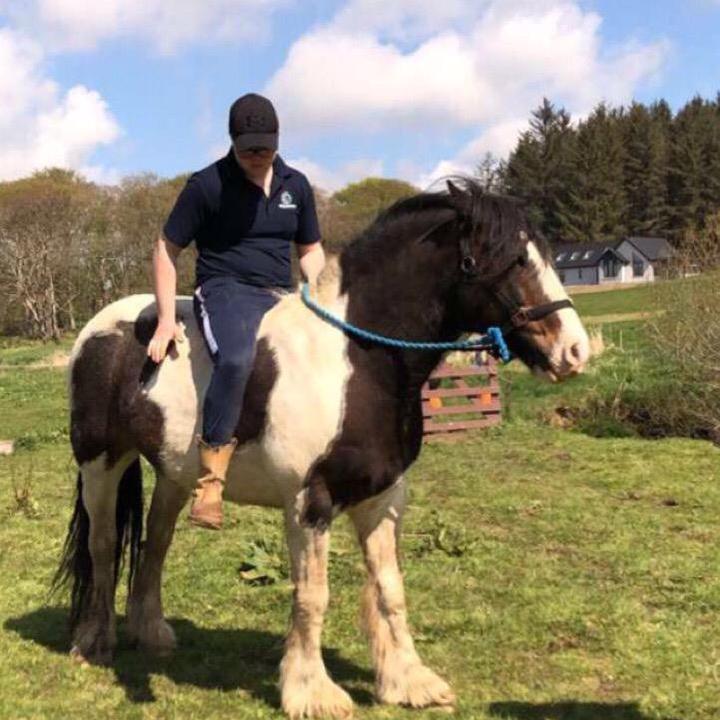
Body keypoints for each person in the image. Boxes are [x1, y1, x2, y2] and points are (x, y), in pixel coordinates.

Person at [147, 93, 325, 529]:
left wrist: (316, 287)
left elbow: (310, 249)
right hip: (225, 289)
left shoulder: (296, 185)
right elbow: (166, 249)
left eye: (265, 148)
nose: (257, 156)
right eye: (248, 149)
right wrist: (166, 319)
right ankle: (210, 481)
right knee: (237, 358)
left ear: (277, 140)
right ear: (232, 141)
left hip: (281, 293)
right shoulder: (207, 185)